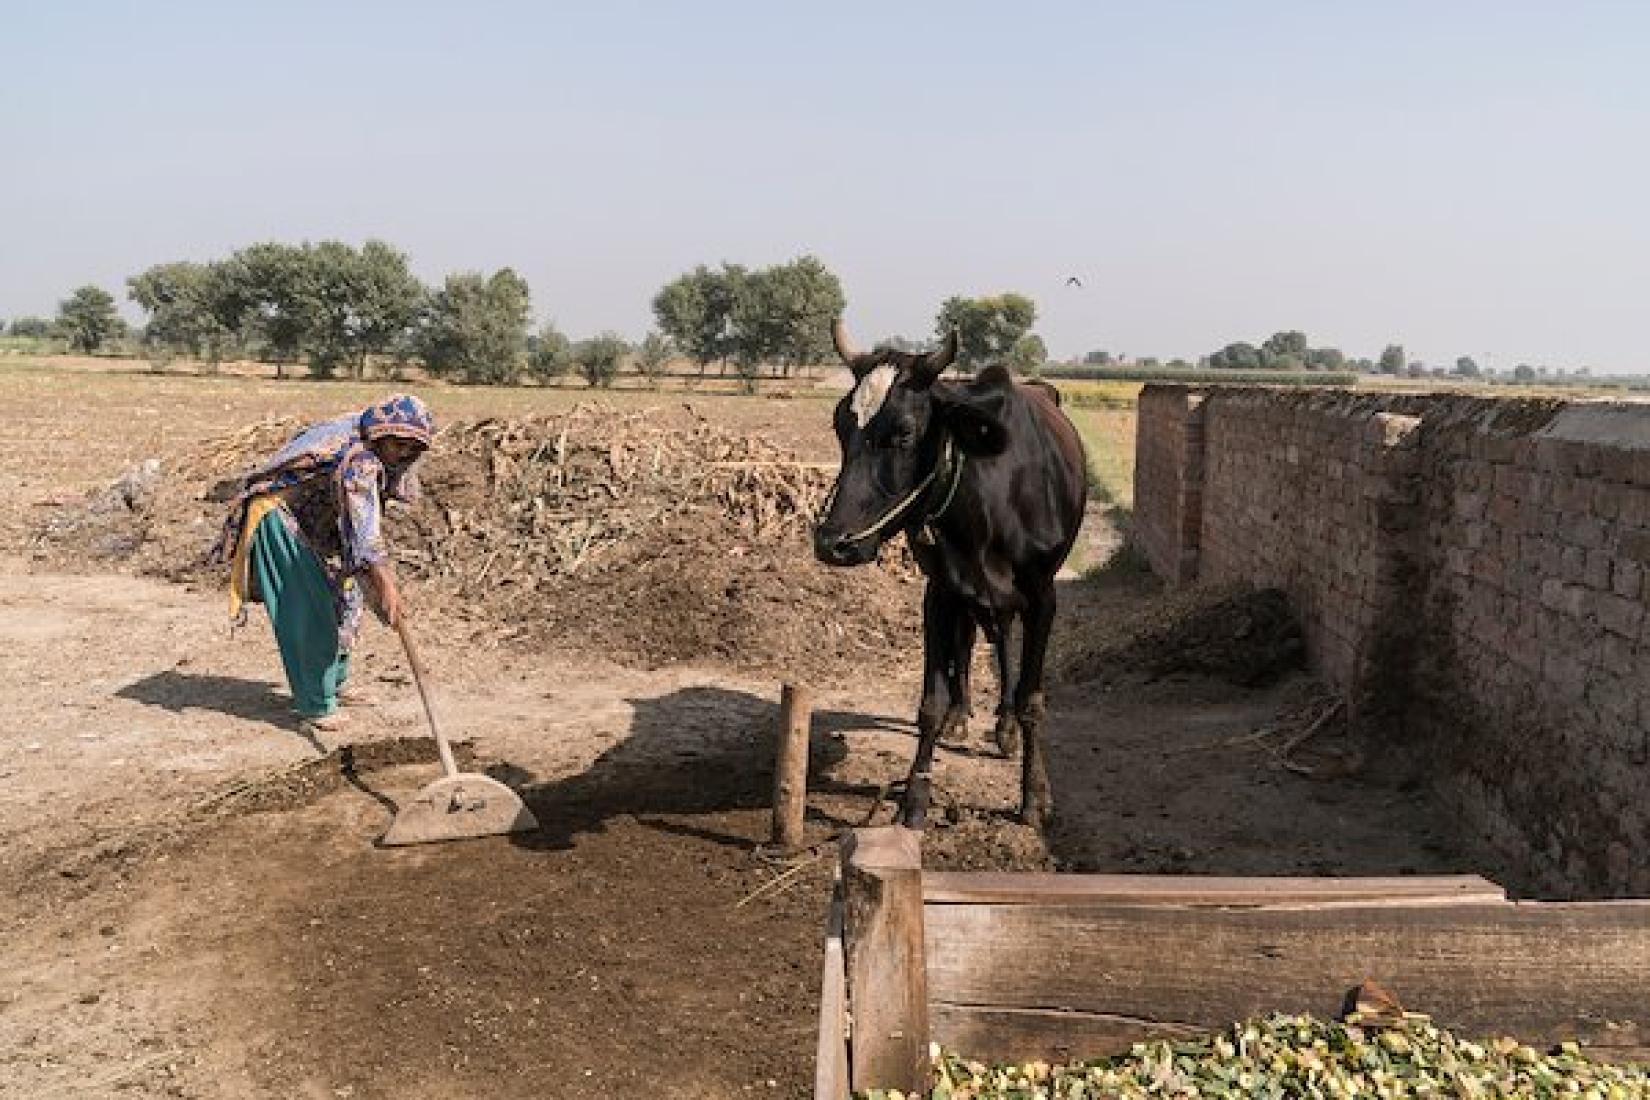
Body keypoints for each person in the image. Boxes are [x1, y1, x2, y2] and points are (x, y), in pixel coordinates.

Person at [214, 394, 434, 734]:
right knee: (308, 607)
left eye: (411, 447)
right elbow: (366, 537)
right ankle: (315, 701)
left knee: (347, 599)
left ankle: (335, 681)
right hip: (281, 517)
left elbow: (364, 526)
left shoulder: (376, 451)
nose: (402, 453)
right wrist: (386, 583)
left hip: (322, 521)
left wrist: (376, 582)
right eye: (397, 444)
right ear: (381, 433)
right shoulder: (360, 459)